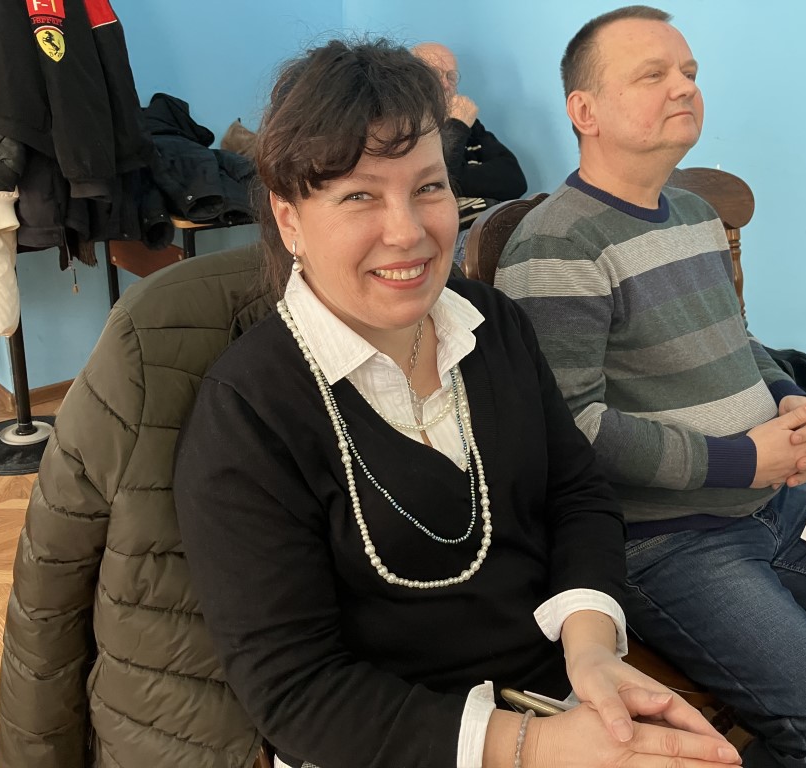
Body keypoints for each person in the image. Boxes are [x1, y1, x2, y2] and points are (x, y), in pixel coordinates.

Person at [173, 38, 744, 768]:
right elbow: (296, 692)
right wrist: (533, 746)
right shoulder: (247, 413)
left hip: (554, 701)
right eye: (359, 196)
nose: (408, 231)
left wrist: (592, 649)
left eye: (428, 188)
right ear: (289, 220)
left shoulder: (492, 324)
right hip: (392, 746)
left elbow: (576, 493)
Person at [495, 6, 806, 768]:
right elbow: (572, 429)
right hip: (669, 542)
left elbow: (737, 341)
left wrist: (788, 398)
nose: (684, 87)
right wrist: (742, 459)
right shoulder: (557, 244)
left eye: (689, 73)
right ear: (585, 111)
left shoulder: (695, 214)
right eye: (653, 75)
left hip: (775, 501)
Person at [412, 42, 527, 263]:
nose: (445, 84)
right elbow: (433, 182)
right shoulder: (409, 128)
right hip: (459, 236)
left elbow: (515, 180)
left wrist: (460, 175)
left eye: (451, 76)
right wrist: (457, 126)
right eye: (434, 74)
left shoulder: (470, 124)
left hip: (500, 224)